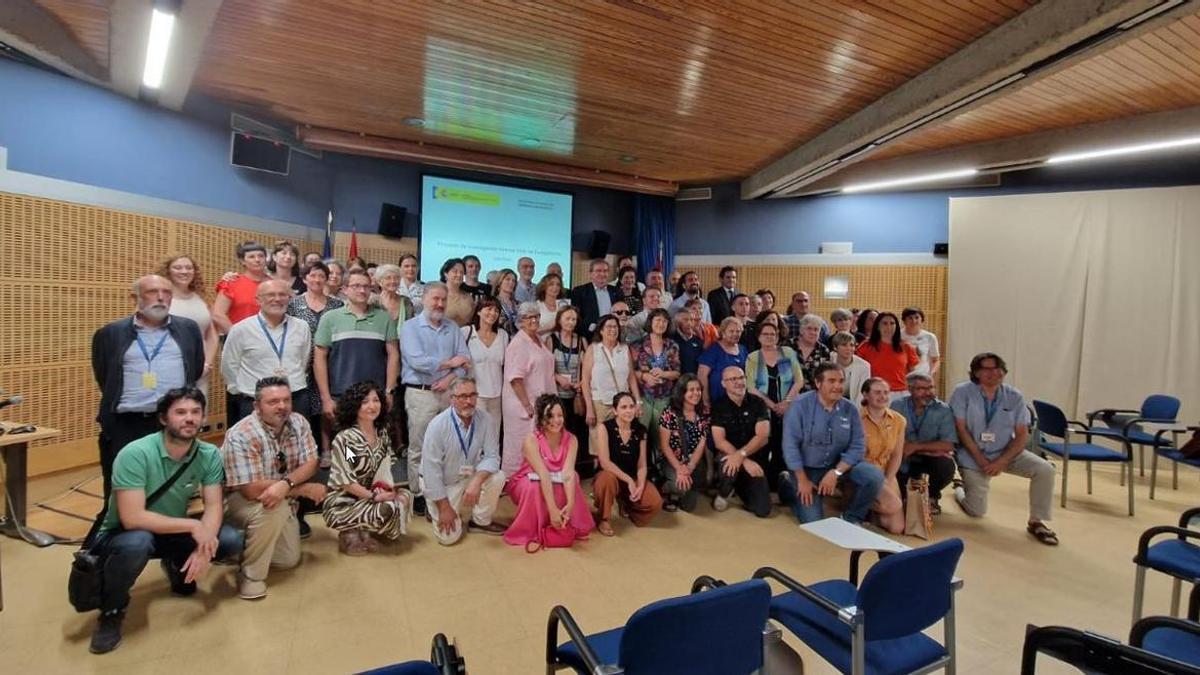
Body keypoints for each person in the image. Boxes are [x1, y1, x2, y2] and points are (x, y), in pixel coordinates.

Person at [86, 387, 242, 654]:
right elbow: (132, 517)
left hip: (169, 528)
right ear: (163, 419)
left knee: (228, 539)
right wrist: (196, 526)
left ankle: (177, 565)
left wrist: (205, 547)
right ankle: (111, 611)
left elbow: (214, 505)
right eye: (180, 412)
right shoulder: (135, 454)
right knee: (138, 542)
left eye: (195, 412)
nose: (189, 418)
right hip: (123, 533)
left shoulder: (208, 454)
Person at [92, 275, 205, 499]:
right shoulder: (110, 334)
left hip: (173, 422)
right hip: (128, 423)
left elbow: (195, 368)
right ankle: (121, 532)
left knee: (172, 490)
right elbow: (105, 376)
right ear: (135, 297)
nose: (161, 298)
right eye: (153, 292)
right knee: (124, 491)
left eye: (167, 293)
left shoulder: (188, 329)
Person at [221, 377, 324, 599]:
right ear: (256, 406)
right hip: (240, 502)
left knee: (288, 560)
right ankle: (250, 576)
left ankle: (241, 548)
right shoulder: (241, 434)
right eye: (273, 401)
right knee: (272, 506)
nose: (282, 406)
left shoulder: (299, 422)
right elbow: (250, 489)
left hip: (282, 498)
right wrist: (299, 489)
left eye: (287, 400)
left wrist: (285, 486)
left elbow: (311, 463)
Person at [950, 352, 1058, 545]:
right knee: (977, 511)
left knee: (1045, 469)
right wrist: (980, 459)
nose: (994, 373)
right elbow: (961, 428)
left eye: (997, 368)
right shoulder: (962, 392)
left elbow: (1022, 434)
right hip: (972, 454)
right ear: (976, 373)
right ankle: (960, 490)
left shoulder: (1014, 396)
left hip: (1005, 451)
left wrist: (1002, 461)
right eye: (987, 369)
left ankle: (1036, 522)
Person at [779, 362, 883, 524]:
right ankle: (787, 484)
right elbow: (790, 447)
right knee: (813, 521)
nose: (837, 386)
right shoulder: (799, 406)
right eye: (831, 381)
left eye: (841, 381)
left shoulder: (850, 409)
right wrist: (802, 479)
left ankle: (852, 518)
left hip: (837, 465)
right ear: (818, 383)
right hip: (807, 469)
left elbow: (858, 446)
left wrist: (836, 472)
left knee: (873, 476)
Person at [399, 281, 470, 515]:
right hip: (420, 394)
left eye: (443, 299)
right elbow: (417, 361)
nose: (440, 304)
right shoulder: (410, 327)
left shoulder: (453, 328)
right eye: (435, 299)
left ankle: (442, 491)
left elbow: (466, 360)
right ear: (424, 300)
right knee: (419, 447)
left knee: (447, 446)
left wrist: (449, 379)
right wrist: (451, 364)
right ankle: (418, 494)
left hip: (449, 395)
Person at [322, 380, 411, 555]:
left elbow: (387, 468)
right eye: (365, 402)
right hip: (344, 500)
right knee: (387, 507)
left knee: (405, 496)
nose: (372, 406)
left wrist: (388, 491)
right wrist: (375, 497)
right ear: (354, 406)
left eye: (376, 400)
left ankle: (364, 529)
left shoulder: (383, 433)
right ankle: (349, 532)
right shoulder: (346, 439)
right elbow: (347, 481)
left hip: (372, 492)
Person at [417, 376, 507, 544]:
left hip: (467, 477)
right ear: (452, 399)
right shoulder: (437, 425)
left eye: (473, 395)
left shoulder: (485, 419)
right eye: (463, 396)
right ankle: (435, 506)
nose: (469, 401)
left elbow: (492, 456)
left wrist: (477, 481)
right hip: (442, 483)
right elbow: (431, 471)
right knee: (448, 539)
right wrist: (444, 507)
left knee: (498, 476)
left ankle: (480, 521)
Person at [503, 394, 596, 547]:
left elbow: (568, 473)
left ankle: (566, 518)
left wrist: (571, 505)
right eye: (550, 416)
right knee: (533, 486)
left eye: (560, 415)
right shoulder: (531, 440)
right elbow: (543, 474)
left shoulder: (572, 439)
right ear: (541, 418)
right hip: (532, 478)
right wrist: (553, 509)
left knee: (574, 478)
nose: (556, 420)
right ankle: (534, 527)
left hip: (558, 477)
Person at [313, 268, 400, 426]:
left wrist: (389, 391)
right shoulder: (330, 318)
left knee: (375, 445)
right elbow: (319, 358)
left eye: (366, 286)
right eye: (356, 286)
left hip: (375, 397)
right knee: (347, 447)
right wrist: (326, 398)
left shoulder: (384, 318)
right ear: (344, 289)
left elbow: (393, 356)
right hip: (341, 396)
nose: (362, 290)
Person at [220, 279, 312, 427]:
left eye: (282, 294)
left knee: (296, 445)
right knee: (255, 447)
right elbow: (229, 365)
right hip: (254, 401)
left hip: (295, 398)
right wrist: (243, 391)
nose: (277, 299)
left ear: (289, 298)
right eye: (270, 295)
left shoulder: (302, 327)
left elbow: (303, 359)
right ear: (258, 300)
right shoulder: (241, 329)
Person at [287, 262, 344, 464]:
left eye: (321, 276)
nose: (317, 280)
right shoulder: (293, 304)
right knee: (304, 407)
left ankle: (328, 450)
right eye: (313, 276)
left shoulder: (337, 304)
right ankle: (307, 452)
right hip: (300, 363)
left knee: (326, 406)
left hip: (331, 362)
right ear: (305, 279)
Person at [593, 392, 663, 535]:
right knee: (606, 480)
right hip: (611, 476)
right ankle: (604, 519)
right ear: (615, 411)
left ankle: (626, 504)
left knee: (655, 502)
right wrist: (629, 480)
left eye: (631, 406)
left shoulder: (640, 430)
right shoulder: (604, 428)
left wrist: (640, 485)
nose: (628, 410)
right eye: (623, 407)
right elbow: (605, 462)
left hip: (632, 477)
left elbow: (642, 464)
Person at [745, 321, 804, 491]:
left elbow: (799, 380)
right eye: (765, 334)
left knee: (784, 446)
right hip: (763, 408)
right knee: (764, 445)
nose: (769, 337)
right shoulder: (753, 357)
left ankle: (782, 484)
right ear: (759, 337)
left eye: (773, 334)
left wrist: (786, 403)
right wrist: (772, 405)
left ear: (778, 337)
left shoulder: (788, 352)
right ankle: (762, 485)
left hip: (788, 407)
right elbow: (750, 387)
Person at [501, 302, 558, 476]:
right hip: (523, 404)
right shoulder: (518, 343)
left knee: (537, 444)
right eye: (529, 317)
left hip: (541, 402)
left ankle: (534, 477)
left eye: (537, 316)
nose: (534, 320)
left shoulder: (538, 338)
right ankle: (515, 481)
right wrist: (527, 405)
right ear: (521, 320)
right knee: (520, 443)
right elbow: (515, 379)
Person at [890, 372, 958, 514]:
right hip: (902, 457)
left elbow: (949, 444)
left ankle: (932, 496)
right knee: (900, 503)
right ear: (910, 389)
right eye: (922, 389)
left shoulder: (943, 410)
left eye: (931, 388)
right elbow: (888, 435)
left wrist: (915, 447)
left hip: (929, 458)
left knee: (946, 466)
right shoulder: (896, 406)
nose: (928, 393)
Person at [709, 366, 772, 517]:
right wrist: (742, 459)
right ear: (724, 384)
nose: (738, 382)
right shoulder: (718, 406)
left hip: (755, 458)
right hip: (729, 456)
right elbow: (719, 441)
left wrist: (743, 455)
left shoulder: (758, 403)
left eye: (741, 378)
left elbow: (762, 437)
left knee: (763, 510)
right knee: (730, 465)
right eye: (732, 379)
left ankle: (740, 487)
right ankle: (724, 491)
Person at [158, 254, 218, 398]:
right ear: (168, 271)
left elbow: (211, 335)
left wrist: (206, 364)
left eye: (188, 268)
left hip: (200, 369)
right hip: (167, 366)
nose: (184, 271)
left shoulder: (202, 297)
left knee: (196, 412)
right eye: (178, 267)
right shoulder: (159, 297)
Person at [581, 314, 641, 455]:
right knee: (599, 445)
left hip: (622, 404)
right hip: (600, 402)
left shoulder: (625, 349)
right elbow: (585, 380)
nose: (612, 330)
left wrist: (638, 401)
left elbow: (631, 377)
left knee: (620, 441)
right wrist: (589, 408)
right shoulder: (593, 349)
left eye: (615, 327)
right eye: (608, 326)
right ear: (601, 330)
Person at [633, 308, 680, 467]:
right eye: (657, 320)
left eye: (664, 321)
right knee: (641, 436)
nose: (661, 324)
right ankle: (641, 469)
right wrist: (645, 376)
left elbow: (677, 373)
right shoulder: (637, 345)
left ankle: (661, 473)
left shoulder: (672, 345)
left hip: (665, 398)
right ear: (650, 322)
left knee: (662, 438)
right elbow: (630, 372)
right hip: (643, 398)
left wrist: (664, 374)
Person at [859, 378, 906, 534]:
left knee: (896, 528)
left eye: (886, 392)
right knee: (893, 505)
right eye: (877, 392)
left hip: (886, 472)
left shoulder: (899, 420)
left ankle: (871, 508)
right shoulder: (855, 418)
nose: (883, 396)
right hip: (863, 472)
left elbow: (896, 454)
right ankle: (856, 502)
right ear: (865, 395)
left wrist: (889, 479)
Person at [657, 375, 710, 512]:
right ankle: (665, 487)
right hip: (673, 460)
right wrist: (680, 469)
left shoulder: (704, 412)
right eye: (691, 390)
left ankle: (683, 489)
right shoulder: (670, 413)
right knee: (681, 486)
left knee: (689, 506)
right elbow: (664, 446)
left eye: (698, 389)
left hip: (693, 461)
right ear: (682, 392)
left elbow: (701, 443)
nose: (696, 393)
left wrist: (690, 466)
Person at [462, 297, 508, 453]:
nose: (492, 313)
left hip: (497, 395)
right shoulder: (466, 332)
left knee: (493, 438)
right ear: (479, 311)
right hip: (474, 395)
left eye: (496, 310)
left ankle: (491, 472)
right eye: (489, 309)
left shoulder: (503, 335)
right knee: (472, 436)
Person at [547, 305, 590, 463]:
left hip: (576, 395)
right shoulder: (551, 339)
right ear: (559, 320)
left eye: (573, 319)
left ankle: (575, 465)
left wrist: (582, 382)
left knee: (576, 431)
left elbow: (588, 366)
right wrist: (558, 378)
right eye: (567, 318)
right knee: (558, 430)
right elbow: (545, 367)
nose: (570, 322)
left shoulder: (581, 340)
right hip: (557, 394)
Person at [856, 311, 919, 400]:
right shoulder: (866, 346)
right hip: (874, 392)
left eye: (892, 323)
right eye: (884, 323)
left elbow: (912, 373)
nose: (888, 327)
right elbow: (858, 369)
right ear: (878, 326)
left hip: (901, 393)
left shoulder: (906, 347)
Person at [212, 241, 268, 334]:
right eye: (251, 257)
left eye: (261, 256)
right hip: (240, 339)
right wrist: (236, 335)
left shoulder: (274, 284)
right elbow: (218, 314)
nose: (257, 260)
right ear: (243, 261)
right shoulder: (231, 282)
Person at [697, 317, 748, 407]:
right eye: (731, 331)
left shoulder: (743, 349)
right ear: (723, 332)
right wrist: (705, 401)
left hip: (739, 400)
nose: (735, 334)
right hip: (718, 400)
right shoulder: (713, 350)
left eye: (738, 331)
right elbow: (702, 375)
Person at [570, 258, 619, 339]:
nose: (602, 274)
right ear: (591, 273)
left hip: (612, 336)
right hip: (589, 337)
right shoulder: (579, 291)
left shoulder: (616, 291)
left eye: (605, 271)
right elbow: (576, 317)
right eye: (598, 271)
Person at [794, 314, 833, 390]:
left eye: (816, 329)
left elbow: (825, 376)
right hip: (787, 396)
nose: (812, 332)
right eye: (809, 329)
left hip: (814, 395)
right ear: (801, 330)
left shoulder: (824, 351)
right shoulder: (788, 346)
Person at [830, 331, 870, 403]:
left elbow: (862, 394)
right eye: (844, 345)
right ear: (835, 347)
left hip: (853, 404)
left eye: (851, 345)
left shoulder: (864, 366)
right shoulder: (829, 360)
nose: (848, 348)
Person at [901, 306, 941, 378]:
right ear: (904, 320)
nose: (914, 321)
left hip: (923, 377)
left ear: (922, 320)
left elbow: (935, 360)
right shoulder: (897, 336)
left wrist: (932, 374)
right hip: (902, 377)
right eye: (910, 318)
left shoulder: (930, 337)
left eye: (917, 318)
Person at [438, 257, 476, 327]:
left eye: (461, 272)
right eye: (455, 271)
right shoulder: (438, 294)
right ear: (445, 274)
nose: (459, 275)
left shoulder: (468, 297)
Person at [671, 304, 705, 376]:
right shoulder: (671, 340)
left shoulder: (698, 341)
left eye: (692, 320)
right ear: (677, 322)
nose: (689, 323)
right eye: (685, 320)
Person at [535, 272, 570, 336]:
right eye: (551, 284)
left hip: (560, 343)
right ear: (544, 287)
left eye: (558, 285)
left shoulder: (564, 304)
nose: (555, 287)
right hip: (542, 343)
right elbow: (531, 331)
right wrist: (551, 327)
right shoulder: (536, 306)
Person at [492, 267, 520, 335]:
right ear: (500, 282)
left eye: (513, 281)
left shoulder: (519, 304)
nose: (511, 283)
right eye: (508, 279)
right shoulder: (492, 303)